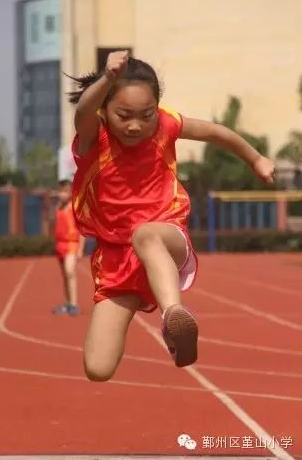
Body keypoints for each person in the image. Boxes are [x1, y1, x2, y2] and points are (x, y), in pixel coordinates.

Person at [68, 51, 274, 380]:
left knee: (145, 234)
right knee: (97, 368)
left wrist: (256, 159)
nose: (136, 125)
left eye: (146, 115)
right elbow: (82, 111)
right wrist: (107, 77)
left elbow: (215, 132)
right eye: (124, 115)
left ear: (157, 109)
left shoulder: (166, 125)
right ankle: (167, 327)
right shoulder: (95, 137)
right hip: (116, 257)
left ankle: (173, 315)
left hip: (165, 236)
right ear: (105, 112)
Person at [52, 179, 86, 316]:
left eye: (65, 192)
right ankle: (67, 303)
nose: (62, 194)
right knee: (65, 275)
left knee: (69, 271)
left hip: (72, 244)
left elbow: (82, 228)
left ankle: (73, 304)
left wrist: (81, 249)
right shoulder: (58, 207)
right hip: (60, 244)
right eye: (60, 191)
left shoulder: (75, 207)